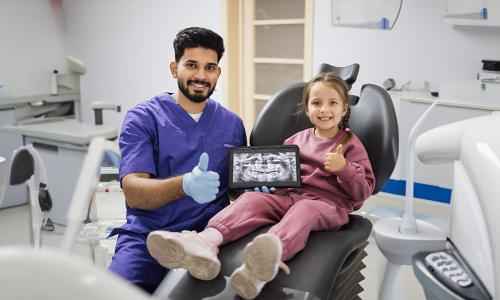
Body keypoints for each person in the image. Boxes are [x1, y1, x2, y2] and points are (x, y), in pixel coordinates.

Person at [146, 72, 375, 299]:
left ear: (344, 109)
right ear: (307, 109)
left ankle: (270, 254)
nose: (324, 109)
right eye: (316, 103)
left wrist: (344, 168)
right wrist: (274, 186)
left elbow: (362, 192)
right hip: (291, 198)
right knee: (252, 199)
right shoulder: (296, 140)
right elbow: (283, 176)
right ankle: (205, 242)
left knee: (305, 210)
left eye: (332, 103)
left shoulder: (350, 145)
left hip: (327, 205)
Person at [107, 27, 247, 293]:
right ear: (175, 68)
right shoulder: (143, 118)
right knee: (114, 292)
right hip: (149, 237)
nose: (201, 76)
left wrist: (257, 186)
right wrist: (185, 184)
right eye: (191, 65)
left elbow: (235, 189)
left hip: (209, 239)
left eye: (210, 68)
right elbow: (135, 192)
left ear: (218, 72)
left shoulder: (232, 123)